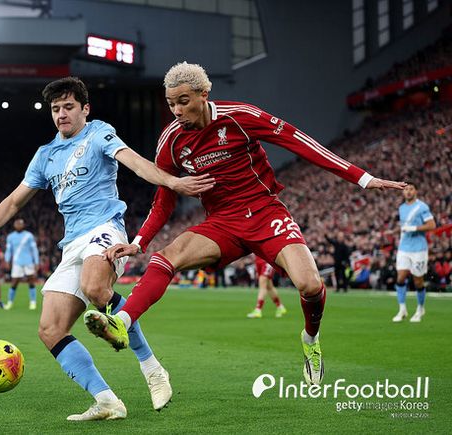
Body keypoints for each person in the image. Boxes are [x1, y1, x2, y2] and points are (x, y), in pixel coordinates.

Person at [84, 62, 405, 386]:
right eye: (170, 104)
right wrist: (139, 242)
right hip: (222, 222)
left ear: (204, 94)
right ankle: (121, 321)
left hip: (266, 213)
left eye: (183, 101)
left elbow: (298, 141)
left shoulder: (239, 116)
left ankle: (310, 339)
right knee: (166, 256)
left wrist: (363, 178)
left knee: (310, 285)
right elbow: (164, 198)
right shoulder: (171, 140)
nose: (177, 111)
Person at [0, 77, 213, 421]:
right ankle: (106, 400)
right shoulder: (45, 155)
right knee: (50, 329)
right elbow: (14, 201)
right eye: (56, 109)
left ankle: (153, 369)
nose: (61, 114)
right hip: (72, 243)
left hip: (105, 229)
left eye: (68, 107)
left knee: (96, 287)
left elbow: (134, 162)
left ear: (85, 109)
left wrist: (172, 181)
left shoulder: (99, 133)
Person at [392, 182, 436, 323]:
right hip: (403, 248)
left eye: (411, 189)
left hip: (418, 249)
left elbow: (432, 225)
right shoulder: (401, 208)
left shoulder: (422, 207)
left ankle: (420, 308)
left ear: (416, 191)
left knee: (418, 281)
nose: (408, 191)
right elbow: (404, 226)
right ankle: (402, 309)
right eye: (406, 189)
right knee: (400, 278)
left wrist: (414, 228)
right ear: (403, 192)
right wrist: (395, 231)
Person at [4, 218, 39, 310]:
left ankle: (33, 302)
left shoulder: (29, 236)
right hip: (17, 262)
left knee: (31, 281)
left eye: (20, 224)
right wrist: (7, 260)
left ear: (23, 225)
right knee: (14, 282)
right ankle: (10, 302)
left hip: (28, 262)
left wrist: (36, 262)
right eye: (17, 224)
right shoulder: (10, 237)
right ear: (14, 225)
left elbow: (34, 250)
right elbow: (8, 250)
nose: (18, 225)